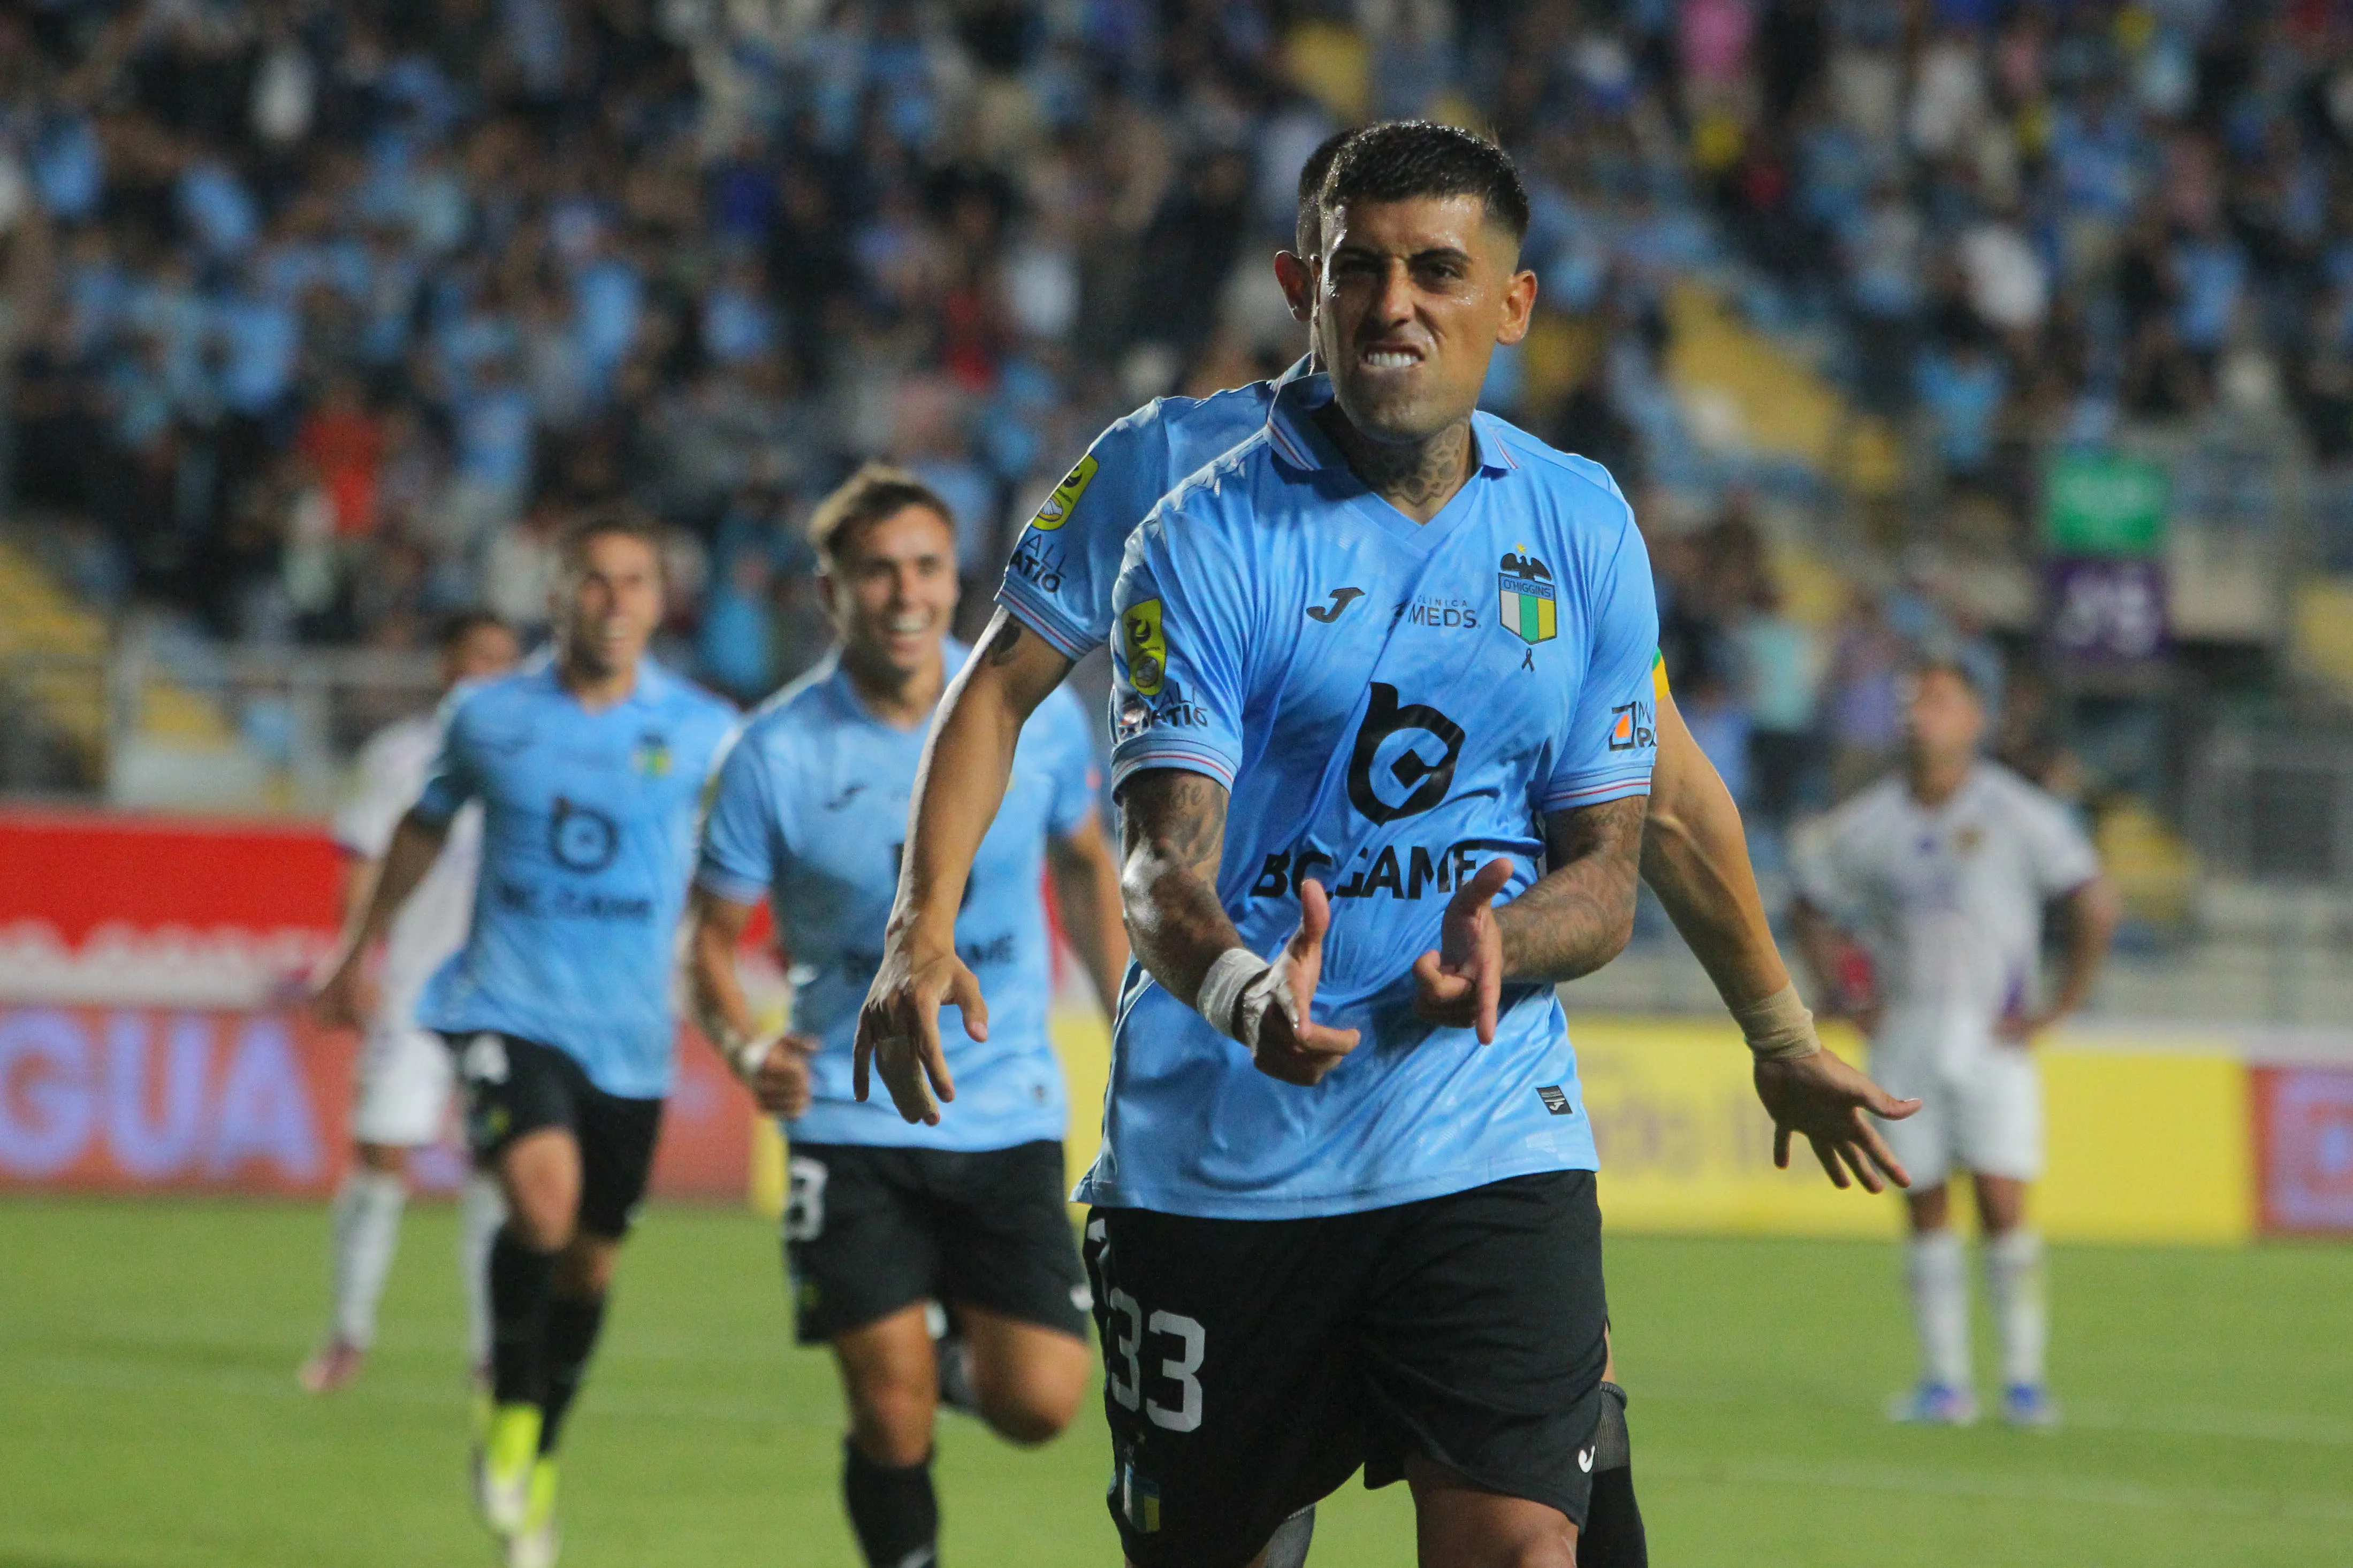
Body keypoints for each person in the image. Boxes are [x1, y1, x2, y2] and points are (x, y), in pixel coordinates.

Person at [857, 126, 1915, 1568]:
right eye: (1361, 271)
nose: (1395, 305)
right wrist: (924, 927)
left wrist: (1774, 1027)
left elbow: (1655, 802)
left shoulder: (1570, 520)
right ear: (1304, 285)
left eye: (1437, 270)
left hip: (1480, 1133)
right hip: (1221, 1158)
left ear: (1513, 304)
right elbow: (1009, 704)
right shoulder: (1171, 489)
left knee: (1532, 1543)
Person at [686, 464, 1128, 1568]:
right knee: (889, 1410)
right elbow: (704, 942)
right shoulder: (771, 756)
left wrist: (1134, 1011)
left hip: (1006, 1105)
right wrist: (746, 1046)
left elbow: (1083, 865)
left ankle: (928, 1340)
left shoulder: (1036, 721)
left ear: (957, 582)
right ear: (828, 595)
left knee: (1041, 1401)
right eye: (873, 571)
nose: (903, 593)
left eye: (926, 566)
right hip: (847, 1111)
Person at [313, 511, 737, 1567]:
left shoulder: (703, 728)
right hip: (503, 1005)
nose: (612, 599)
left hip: (632, 1038)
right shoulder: (488, 715)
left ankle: (536, 1435)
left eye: (633, 580)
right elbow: (421, 826)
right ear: (556, 596)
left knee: (590, 1261)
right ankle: (504, 1399)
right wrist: (356, 947)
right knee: (539, 1203)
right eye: (591, 580)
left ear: (657, 600)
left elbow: (748, 857)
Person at [1791, 657, 2117, 1429]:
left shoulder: (2014, 810)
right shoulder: (1870, 821)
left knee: (2003, 1199)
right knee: (1924, 1200)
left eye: (1937, 699)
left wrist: (2059, 1005)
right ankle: (1945, 1383)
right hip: (1905, 1032)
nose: (1917, 713)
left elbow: (2096, 899)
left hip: (1993, 1038)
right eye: (1910, 699)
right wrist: (1843, 993)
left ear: (1975, 718)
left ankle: (2025, 1380)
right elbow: (1807, 901)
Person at [303, 608, 520, 1395]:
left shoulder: (537, 751)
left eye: (504, 660)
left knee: (500, 1170)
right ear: (445, 669)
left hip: (507, 995)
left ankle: (493, 1347)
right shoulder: (399, 756)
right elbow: (360, 861)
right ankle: (349, 1329)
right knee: (381, 1155)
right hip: (416, 992)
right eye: (475, 659)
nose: (489, 674)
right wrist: (355, 956)